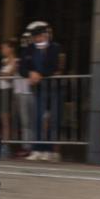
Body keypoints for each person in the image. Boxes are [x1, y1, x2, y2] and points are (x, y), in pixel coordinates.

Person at [20, 24, 62, 161]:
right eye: (36, 37)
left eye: (41, 36)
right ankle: (37, 148)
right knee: (37, 118)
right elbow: (22, 68)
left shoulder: (54, 48)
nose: (38, 39)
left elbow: (54, 67)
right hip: (38, 89)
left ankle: (49, 150)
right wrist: (30, 73)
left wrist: (39, 74)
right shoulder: (29, 49)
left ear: (46, 35)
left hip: (54, 88)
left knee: (53, 119)